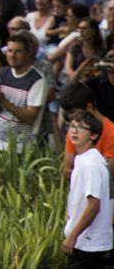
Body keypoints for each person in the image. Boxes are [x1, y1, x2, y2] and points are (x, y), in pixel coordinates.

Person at [65, 110, 114, 266]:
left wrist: (73, 236)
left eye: (80, 127)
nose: (74, 131)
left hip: (88, 244)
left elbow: (94, 205)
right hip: (85, 242)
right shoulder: (83, 159)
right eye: (72, 126)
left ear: (93, 135)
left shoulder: (91, 164)